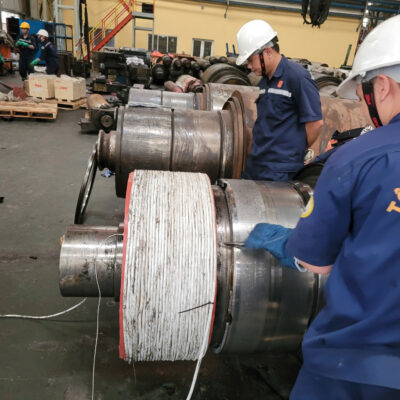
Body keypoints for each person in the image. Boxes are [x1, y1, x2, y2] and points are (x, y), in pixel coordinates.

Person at [245, 14, 400, 399]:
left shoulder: (356, 159)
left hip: (356, 365)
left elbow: (314, 262)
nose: (363, 109)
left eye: (362, 97)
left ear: (382, 86)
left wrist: (289, 243)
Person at [236, 20, 323, 181]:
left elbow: (315, 123)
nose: (249, 66)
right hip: (256, 164)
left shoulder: (297, 77)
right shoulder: (265, 81)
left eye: (251, 60)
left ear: (267, 52)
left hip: (280, 170)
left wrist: (293, 152)